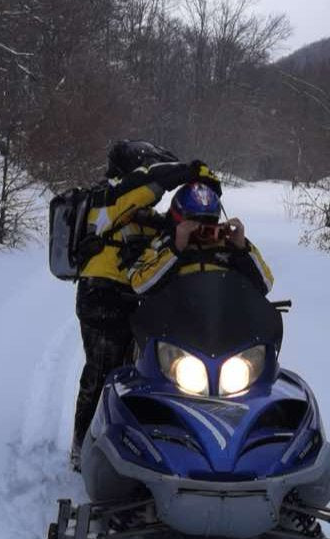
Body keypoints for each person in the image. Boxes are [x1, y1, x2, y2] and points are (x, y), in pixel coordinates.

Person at [70, 140, 219, 467]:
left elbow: (164, 226)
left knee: (134, 374)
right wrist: (187, 171)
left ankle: (121, 441)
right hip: (103, 296)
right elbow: (147, 183)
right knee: (101, 373)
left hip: (132, 297)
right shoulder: (108, 199)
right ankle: (83, 447)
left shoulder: (131, 210)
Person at [128, 180, 274, 297]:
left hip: (223, 324)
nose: (202, 226)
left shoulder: (229, 245)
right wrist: (176, 250)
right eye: (194, 220)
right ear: (178, 218)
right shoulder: (163, 243)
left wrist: (242, 249)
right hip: (176, 324)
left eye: (209, 221)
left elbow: (265, 285)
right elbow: (140, 285)